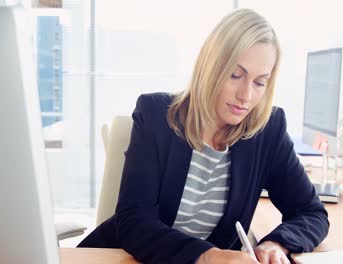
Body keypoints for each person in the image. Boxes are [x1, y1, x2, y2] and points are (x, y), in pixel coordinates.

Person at [78, 8, 329, 264]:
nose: (246, 95)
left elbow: (311, 212)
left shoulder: (268, 131)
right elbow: (134, 221)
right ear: (210, 67)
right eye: (235, 75)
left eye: (259, 82)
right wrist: (209, 256)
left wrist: (277, 244)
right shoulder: (155, 116)